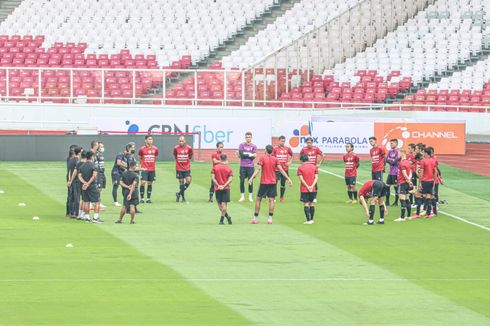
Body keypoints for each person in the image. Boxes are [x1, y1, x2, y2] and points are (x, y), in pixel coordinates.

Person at [248, 145, 292, 224]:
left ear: (265, 150)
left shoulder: (262, 158)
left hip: (264, 182)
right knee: (271, 200)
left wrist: (251, 178)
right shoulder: (275, 159)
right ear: (272, 151)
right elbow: (281, 169)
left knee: (258, 199)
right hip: (273, 182)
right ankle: (270, 219)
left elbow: (258, 169)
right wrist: (288, 178)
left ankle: (255, 219)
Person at [78, 151, 103, 223]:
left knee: (86, 202)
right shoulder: (93, 166)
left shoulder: (82, 166)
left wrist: (84, 183)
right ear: (92, 157)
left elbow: (79, 176)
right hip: (92, 186)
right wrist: (88, 183)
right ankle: (95, 218)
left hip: (84, 186)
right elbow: (94, 175)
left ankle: (87, 218)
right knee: (97, 201)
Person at [299, 137, 324, 202]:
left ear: (312, 142)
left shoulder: (316, 148)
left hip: (313, 168)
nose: (309, 144)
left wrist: (319, 164)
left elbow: (323, 155)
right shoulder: (304, 149)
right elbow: (300, 157)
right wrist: (302, 165)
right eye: (307, 143)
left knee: (314, 182)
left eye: (310, 142)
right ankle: (304, 196)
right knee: (305, 181)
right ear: (306, 143)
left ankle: (314, 197)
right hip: (306, 168)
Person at [211, 154, 233, 225]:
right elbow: (230, 179)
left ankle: (221, 220)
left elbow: (213, 178)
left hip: (217, 188)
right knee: (223, 206)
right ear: (226, 159)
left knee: (221, 207)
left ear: (220, 159)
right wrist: (224, 185)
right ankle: (228, 217)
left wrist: (218, 185)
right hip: (226, 188)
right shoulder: (229, 168)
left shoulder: (215, 168)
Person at [417, 147, 438, 218]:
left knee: (423, 196)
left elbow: (421, 173)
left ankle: (425, 213)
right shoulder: (433, 160)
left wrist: (419, 182)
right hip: (431, 181)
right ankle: (433, 212)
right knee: (431, 196)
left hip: (425, 181)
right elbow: (436, 171)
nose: (423, 154)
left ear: (426, 153)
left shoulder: (423, 161)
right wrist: (434, 180)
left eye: (423, 152)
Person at [297, 154, 318, 224]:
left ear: (301, 160)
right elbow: (316, 178)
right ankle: (312, 219)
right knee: (311, 203)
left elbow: (301, 179)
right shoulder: (314, 167)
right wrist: (312, 186)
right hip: (313, 189)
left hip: (304, 189)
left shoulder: (300, 168)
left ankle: (308, 220)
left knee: (306, 203)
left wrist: (307, 186)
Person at [236, 132, 257, 202]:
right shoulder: (241, 145)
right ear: (245, 138)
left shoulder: (254, 146)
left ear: (251, 138)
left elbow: (253, 158)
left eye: (249, 137)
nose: (248, 138)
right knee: (242, 181)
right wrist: (250, 154)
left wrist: (246, 154)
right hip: (242, 166)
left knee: (250, 181)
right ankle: (242, 196)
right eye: (247, 137)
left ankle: (250, 197)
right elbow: (241, 155)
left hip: (250, 166)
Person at [272, 135, 293, 202]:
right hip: (277, 169)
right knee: (275, 183)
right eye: (281, 141)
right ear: (278, 141)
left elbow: (292, 155)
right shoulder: (275, 149)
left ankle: (281, 197)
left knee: (283, 183)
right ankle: (274, 197)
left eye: (284, 141)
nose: (282, 142)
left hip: (285, 169)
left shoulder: (287, 148)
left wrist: (290, 162)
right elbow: (272, 157)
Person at [138, 135, 159, 204]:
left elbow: (155, 157)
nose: (151, 140)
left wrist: (152, 164)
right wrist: (142, 166)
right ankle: (141, 198)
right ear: (145, 140)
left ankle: (148, 198)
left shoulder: (155, 149)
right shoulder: (142, 149)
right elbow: (140, 157)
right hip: (144, 169)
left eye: (151, 139)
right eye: (149, 139)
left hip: (152, 169)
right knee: (143, 182)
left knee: (150, 183)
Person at [394, 150, 413, 222]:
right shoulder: (408, 162)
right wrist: (409, 180)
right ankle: (408, 216)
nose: (398, 155)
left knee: (402, 200)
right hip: (407, 183)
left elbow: (404, 174)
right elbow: (410, 172)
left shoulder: (402, 163)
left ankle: (402, 217)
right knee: (407, 199)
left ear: (402, 154)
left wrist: (408, 180)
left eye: (399, 153)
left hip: (402, 183)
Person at [173, 135, 193, 203]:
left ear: (185, 141)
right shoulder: (176, 148)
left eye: (182, 141)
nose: (181, 142)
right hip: (179, 168)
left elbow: (190, 156)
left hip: (187, 167)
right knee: (181, 183)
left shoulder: (189, 148)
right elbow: (175, 155)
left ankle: (178, 194)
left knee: (188, 180)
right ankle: (183, 198)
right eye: (180, 141)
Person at [66, 146, 81, 218]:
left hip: (71, 181)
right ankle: (76, 213)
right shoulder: (78, 161)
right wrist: (71, 180)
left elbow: (69, 171)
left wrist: (69, 180)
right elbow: (75, 172)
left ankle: (71, 213)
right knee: (76, 197)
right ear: (79, 153)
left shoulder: (70, 160)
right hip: (76, 181)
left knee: (71, 197)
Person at [385, 139, 400, 206]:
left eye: (392, 143)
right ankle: (387, 201)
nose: (391, 145)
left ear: (396, 144)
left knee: (396, 187)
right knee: (387, 187)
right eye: (390, 143)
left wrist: (390, 160)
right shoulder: (390, 151)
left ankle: (396, 202)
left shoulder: (398, 152)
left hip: (396, 172)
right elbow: (386, 159)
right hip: (390, 172)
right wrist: (391, 160)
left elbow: (394, 162)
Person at [94, 142, 106, 208]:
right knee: (98, 188)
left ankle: (97, 201)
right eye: (101, 147)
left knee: (100, 188)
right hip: (98, 173)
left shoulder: (101, 155)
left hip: (102, 172)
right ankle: (97, 201)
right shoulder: (96, 155)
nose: (102, 148)